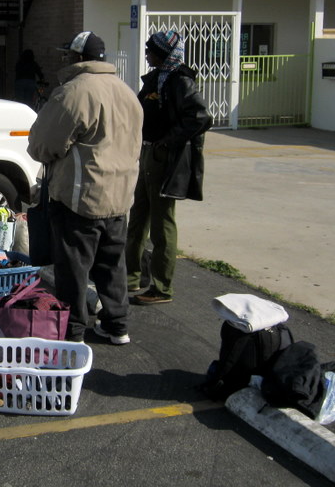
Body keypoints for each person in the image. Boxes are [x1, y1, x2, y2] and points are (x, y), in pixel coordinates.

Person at [27, 31, 143, 345]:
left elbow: (42, 145)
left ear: (79, 58)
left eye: (68, 54)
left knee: (73, 269)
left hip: (81, 198)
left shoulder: (74, 92)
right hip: (119, 197)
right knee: (112, 264)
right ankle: (117, 325)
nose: (64, 59)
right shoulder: (127, 92)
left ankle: (73, 330)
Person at [126, 30, 213, 305]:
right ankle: (130, 277)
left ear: (164, 54)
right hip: (147, 153)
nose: (147, 54)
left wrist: (167, 143)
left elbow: (200, 116)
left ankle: (161, 288)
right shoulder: (156, 79)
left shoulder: (180, 81)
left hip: (164, 160)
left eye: (151, 50)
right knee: (137, 218)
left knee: (162, 225)